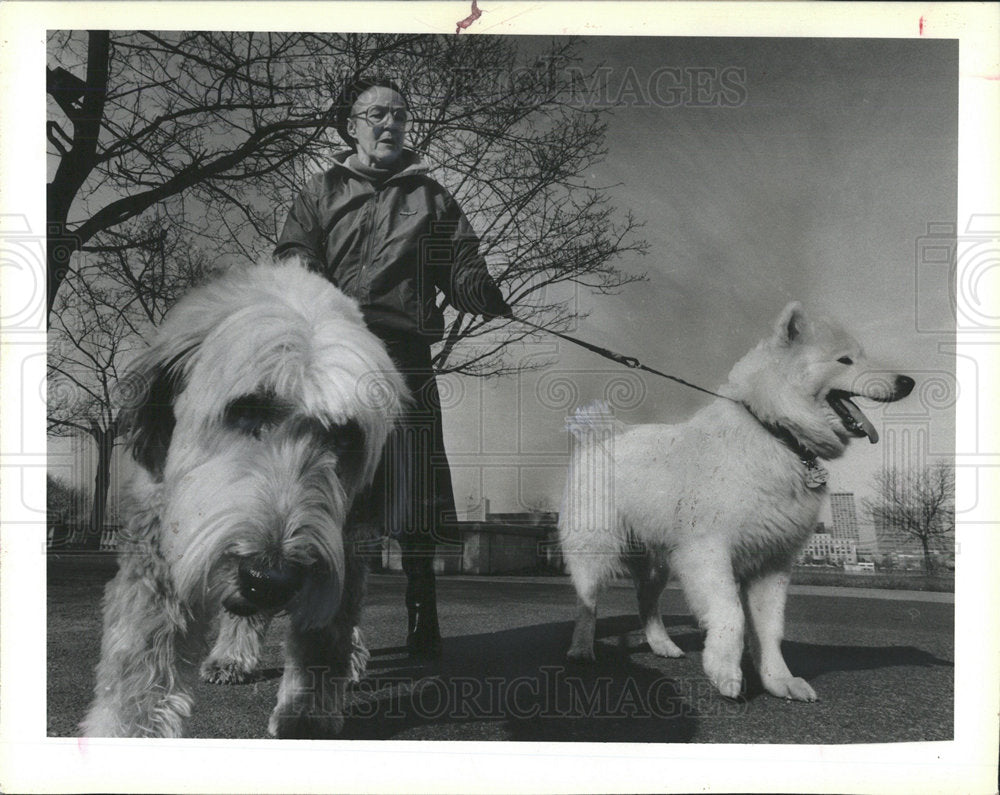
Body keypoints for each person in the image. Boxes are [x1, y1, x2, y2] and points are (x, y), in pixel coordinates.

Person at [273, 76, 511, 658]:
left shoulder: (431, 197)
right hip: (335, 354)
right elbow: (293, 256)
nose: (389, 123)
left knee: (413, 487)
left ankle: (421, 604)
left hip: (404, 360)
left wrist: (479, 288)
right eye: (376, 113)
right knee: (326, 483)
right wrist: (311, 290)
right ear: (349, 124)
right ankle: (325, 616)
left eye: (399, 115)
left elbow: (460, 263)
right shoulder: (320, 190)